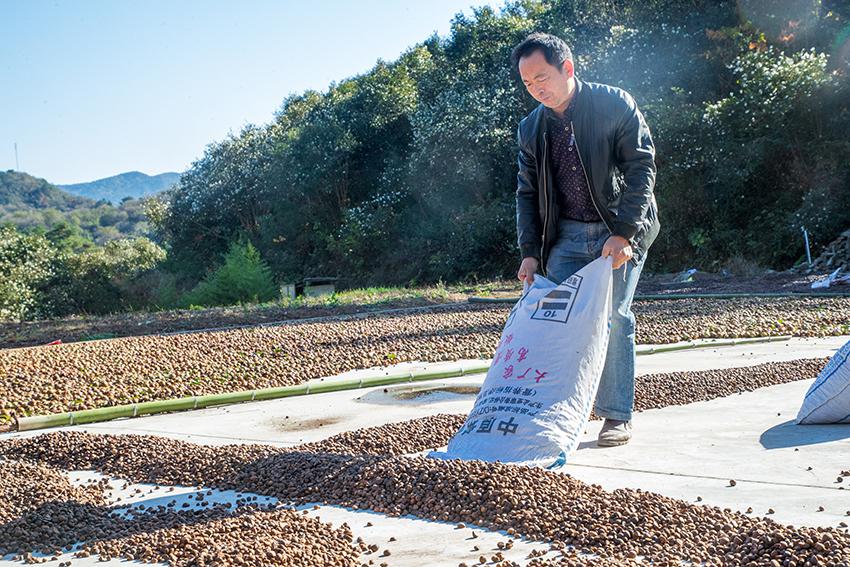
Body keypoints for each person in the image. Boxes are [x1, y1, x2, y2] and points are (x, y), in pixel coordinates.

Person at [511, 32, 660, 447]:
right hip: (567, 235)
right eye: (528, 84)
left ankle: (615, 416)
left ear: (568, 68)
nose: (537, 88)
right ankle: (555, 411)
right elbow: (526, 193)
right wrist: (529, 253)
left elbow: (641, 169)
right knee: (556, 320)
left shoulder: (614, 104)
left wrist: (623, 233)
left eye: (542, 77)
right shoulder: (531, 128)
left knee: (612, 317)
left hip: (619, 228)